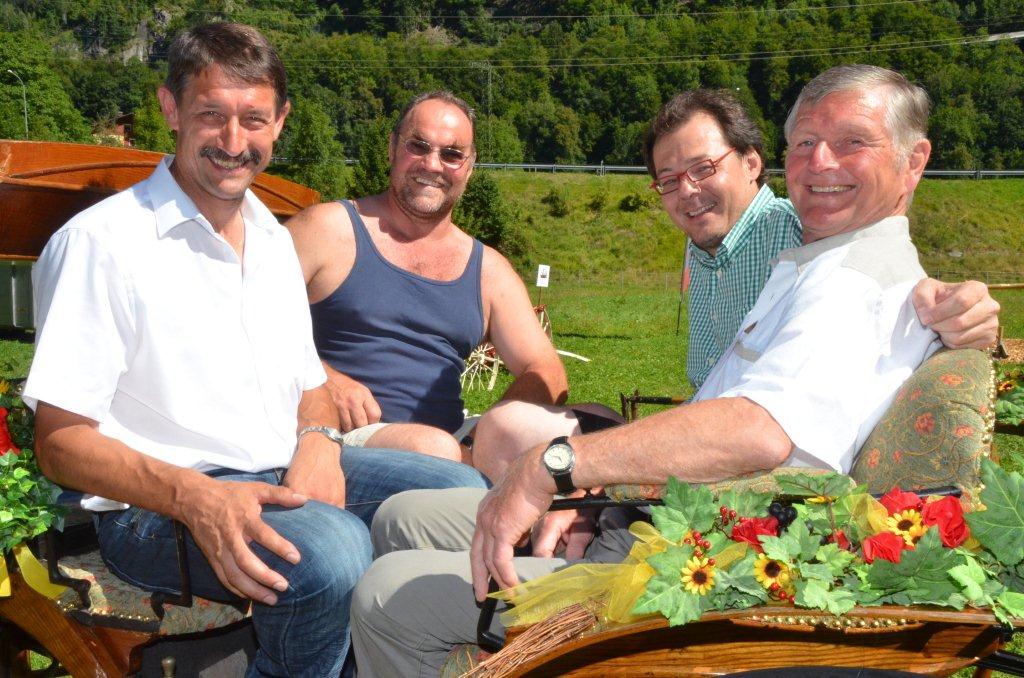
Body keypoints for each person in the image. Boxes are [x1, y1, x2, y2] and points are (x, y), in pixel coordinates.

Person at [349, 64, 991, 676]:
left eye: (852, 142)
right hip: (662, 513)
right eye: (805, 143)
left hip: (695, 563)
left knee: (386, 593)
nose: (820, 162)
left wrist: (559, 468)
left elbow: (759, 431)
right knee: (402, 517)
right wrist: (604, 495)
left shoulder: (851, 282)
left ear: (914, 161)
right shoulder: (814, 261)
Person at [23, 23, 484, 677]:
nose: (234, 143)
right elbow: (60, 443)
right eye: (212, 115)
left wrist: (320, 442)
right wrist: (196, 499)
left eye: (254, 119)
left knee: (462, 493)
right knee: (331, 553)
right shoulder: (103, 244)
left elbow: (309, 383)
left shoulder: (270, 239)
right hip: (155, 508)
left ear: (281, 121)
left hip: (277, 471)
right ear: (170, 108)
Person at [470, 87, 1000, 480]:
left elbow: (870, 263)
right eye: (669, 181)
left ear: (752, 163)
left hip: (731, 461)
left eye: (703, 169)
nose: (687, 191)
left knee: (505, 432)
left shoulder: (794, 229)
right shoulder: (703, 245)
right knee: (510, 430)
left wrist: (959, 306)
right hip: (700, 433)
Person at [287, 91, 567, 473]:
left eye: (451, 154)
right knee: (435, 449)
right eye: (417, 146)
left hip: (452, 441)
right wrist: (322, 380)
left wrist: (485, 434)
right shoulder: (327, 229)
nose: (432, 164)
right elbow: (242, 317)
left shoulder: (488, 272)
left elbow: (547, 371)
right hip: (338, 438)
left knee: (586, 426)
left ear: (469, 167)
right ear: (392, 148)